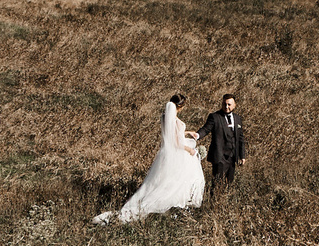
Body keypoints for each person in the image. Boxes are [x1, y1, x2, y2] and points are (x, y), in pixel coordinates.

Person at [94, 93, 206, 223]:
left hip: (166, 154)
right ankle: (171, 206)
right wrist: (190, 150)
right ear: (180, 106)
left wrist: (187, 132)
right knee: (176, 182)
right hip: (177, 154)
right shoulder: (174, 120)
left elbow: (172, 134)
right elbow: (176, 142)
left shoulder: (165, 117)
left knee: (162, 181)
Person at [201, 92, 245, 189]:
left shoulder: (238, 119)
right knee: (217, 183)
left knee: (229, 183)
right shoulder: (214, 117)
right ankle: (214, 202)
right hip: (219, 156)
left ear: (234, 105)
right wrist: (197, 135)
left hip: (232, 156)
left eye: (229, 104)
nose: (226, 106)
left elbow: (240, 138)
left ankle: (224, 202)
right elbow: (205, 129)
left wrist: (242, 156)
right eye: (224, 104)